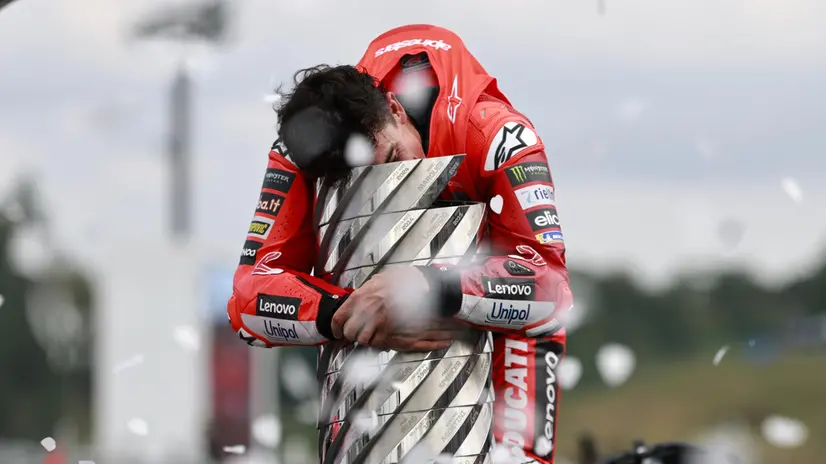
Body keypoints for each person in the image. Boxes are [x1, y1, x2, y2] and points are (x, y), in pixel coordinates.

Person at [227, 24, 573, 463]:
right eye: (358, 186)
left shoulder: (497, 136)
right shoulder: (298, 153)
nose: (390, 183)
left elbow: (551, 291)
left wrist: (431, 288)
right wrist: (342, 312)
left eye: (391, 159)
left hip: (503, 336)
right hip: (362, 364)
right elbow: (246, 299)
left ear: (395, 108)